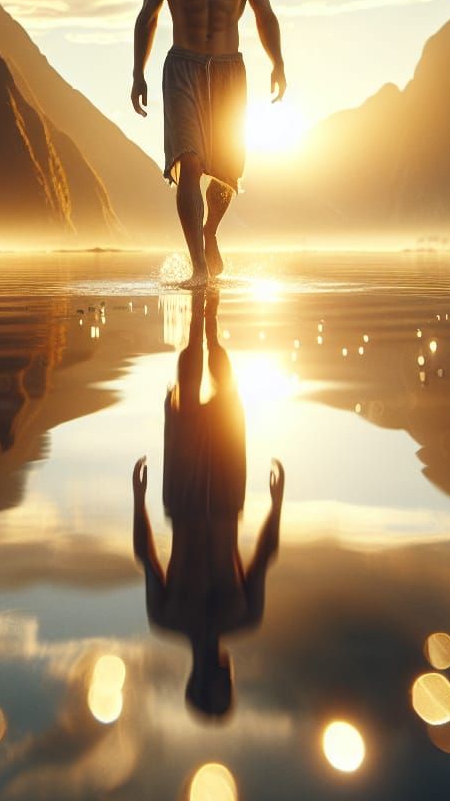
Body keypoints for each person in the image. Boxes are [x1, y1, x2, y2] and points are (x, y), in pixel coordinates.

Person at [131, 0, 286, 287]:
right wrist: (137, 73)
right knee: (190, 161)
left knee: (227, 170)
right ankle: (198, 267)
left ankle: (209, 232)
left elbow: (264, 13)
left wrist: (278, 62)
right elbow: (147, 16)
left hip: (229, 69)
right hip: (182, 67)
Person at [131, 289, 284, 718]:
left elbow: (147, 557)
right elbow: (263, 557)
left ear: (215, 678)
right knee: (215, 397)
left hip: (197, 500)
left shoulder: (223, 619)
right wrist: (275, 505)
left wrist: (139, 500)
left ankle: (204, 317)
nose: (227, 676)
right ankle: (204, 317)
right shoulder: (180, 619)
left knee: (207, 396)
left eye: (224, 684)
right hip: (205, 501)